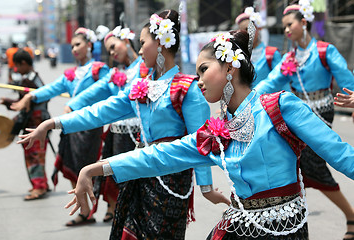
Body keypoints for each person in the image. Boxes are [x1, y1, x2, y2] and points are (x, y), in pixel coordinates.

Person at [56, 29, 354, 239]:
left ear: (229, 68)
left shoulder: (278, 107)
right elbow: (161, 155)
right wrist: (96, 169)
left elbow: (340, 154)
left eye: (203, 70)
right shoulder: (216, 133)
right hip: (240, 226)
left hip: (283, 231)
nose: (198, 80)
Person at [17, 10, 229, 239]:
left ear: (160, 43)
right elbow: (98, 112)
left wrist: (206, 188)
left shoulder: (187, 89)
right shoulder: (140, 87)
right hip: (137, 172)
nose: (138, 51)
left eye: (142, 43)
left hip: (171, 182)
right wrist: (52, 123)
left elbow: (200, 143)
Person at [254, 1, 354, 239]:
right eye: (284, 26)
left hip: (321, 111)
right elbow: (270, 83)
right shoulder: (289, 58)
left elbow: (345, 77)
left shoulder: (324, 50)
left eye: (290, 25)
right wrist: (247, 97)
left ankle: (348, 215)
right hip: (296, 115)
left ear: (304, 23)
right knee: (296, 165)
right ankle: (298, 223)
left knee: (310, 163)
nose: (287, 30)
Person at [11, 27, 109, 226]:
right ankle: (85, 211)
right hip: (71, 125)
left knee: (94, 167)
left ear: (89, 46)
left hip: (92, 125)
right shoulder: (70, 74)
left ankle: (111, 209)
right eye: (72, 45)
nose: (74, 49)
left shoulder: (99, 70)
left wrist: (74, 104)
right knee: (73, 167)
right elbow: (51, 89)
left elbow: (107, 93)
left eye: (78, 44)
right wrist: (31, 95)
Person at [65, 25, 146, 223]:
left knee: (137, 177)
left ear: (126, 41)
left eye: (113, 46)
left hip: (141, 134)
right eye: (108, 50)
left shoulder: (144, 68)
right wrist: (72, 106)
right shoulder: (116, 73)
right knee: (113, 173)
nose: (112, 52)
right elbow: (96, 93)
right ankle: (114, 208)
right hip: (118, 131)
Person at [0, 49, 50, 200]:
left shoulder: (31, 80)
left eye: (17, 66)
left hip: (36, 122)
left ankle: (39, 187)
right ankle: (41, 183)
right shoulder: (31, 78)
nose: (16, 69)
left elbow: (39, 99)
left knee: (34, 154)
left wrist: (12, 103)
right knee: (36, 154)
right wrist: (9, 103)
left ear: (23, 63)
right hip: (35, 121)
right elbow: (21, 103)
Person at [235, 7, 290, 90]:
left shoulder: (271, 54)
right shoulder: (238, 57)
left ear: (258, 28)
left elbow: (283, 84)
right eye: (242, 31)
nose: (246, 34)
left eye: (249, 29)